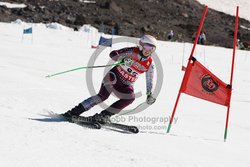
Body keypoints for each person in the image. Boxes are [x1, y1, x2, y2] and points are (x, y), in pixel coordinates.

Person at [62, 35, 157, 124]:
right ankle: (75, 111)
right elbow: (113, 53)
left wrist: (149, 94)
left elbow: (149, 80)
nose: (149, 51)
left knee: (130, 98)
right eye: (147, 47)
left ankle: (104, 116)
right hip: (114, 77)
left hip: (126, 84)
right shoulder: (131, 51)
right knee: (102, 96)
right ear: (141, 45)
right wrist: (121, 58)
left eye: (152, 48)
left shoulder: (149, 64)